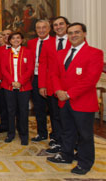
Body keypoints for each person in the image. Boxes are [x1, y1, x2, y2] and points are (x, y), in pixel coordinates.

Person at [47, 23, 104, 175]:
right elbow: (54, 74)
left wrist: (69, 93)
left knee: (84, 135)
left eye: (77, 32)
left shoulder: (95, 53)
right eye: (70, 33)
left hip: (82, 102)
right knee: (67, 131)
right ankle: (66, 155)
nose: (73, 35)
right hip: (63, 100)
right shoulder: (61, 54)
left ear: (84, 34)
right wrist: (58, 90)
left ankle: (85, 162)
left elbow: (90, 79)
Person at [40, 16, 71, 153]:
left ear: (67, 25)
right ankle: (58, 141)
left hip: (71, 87)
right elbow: (43, 65)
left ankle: (71, 142)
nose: (58, 27)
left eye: (61, 24)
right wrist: (42, 85)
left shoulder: (74, 41)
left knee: (71, 116)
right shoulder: (48, 43)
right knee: (55, 116)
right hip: (52, 86)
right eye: (56, 25)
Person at [0, 32, 34, 145]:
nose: (15, 40)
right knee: (10, 111)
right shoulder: (5, 53)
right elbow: (3, 69)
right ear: (9, 41)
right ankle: (11, 134)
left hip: (24, 87)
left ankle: (24, 135)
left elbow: (30, 69)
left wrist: (20, 82)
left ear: (22, 40)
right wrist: (12, 82)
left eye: (18, 38)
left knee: (23, 111)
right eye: (13, 38)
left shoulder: (28, 52)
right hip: (9, 86)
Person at [27, 20, 54, 142]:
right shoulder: (31, 43)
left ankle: (55, 135)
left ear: (49, 29)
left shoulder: (54, 42)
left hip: (50, 79)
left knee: (54, 109)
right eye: (38, 28)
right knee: (39, 108)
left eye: (44, 27)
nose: (41, 30)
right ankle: (42, 133)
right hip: (35, 78)